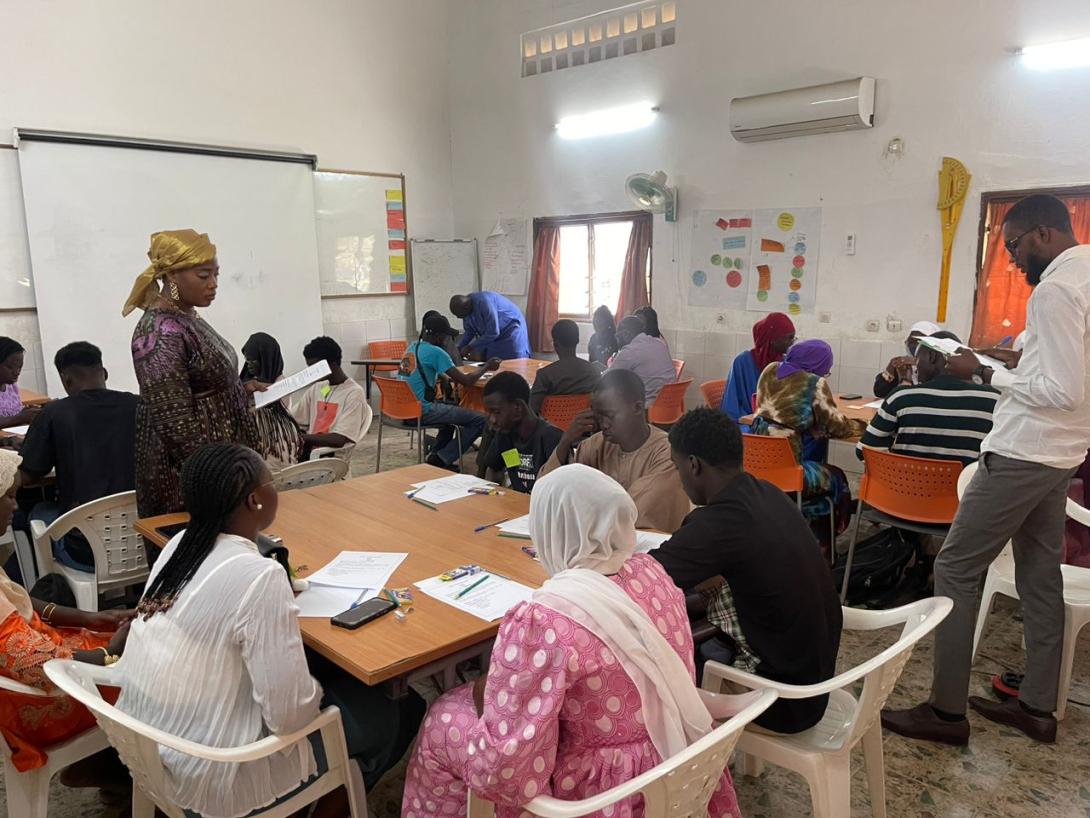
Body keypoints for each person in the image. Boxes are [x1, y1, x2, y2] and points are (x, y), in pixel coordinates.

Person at [401, 464, 742, 818]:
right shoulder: (651, 574)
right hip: (674, 763)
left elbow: (510, 770)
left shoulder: (543, 622)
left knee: (442, 718)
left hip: (602, 790)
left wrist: (483, 701)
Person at [117, 443, 423, 818]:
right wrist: (318, 689)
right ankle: (326, 803)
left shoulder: (178, 545)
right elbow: (290, 716)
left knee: (327, 681)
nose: (277, 488)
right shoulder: (261, 576)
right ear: (254, 501)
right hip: (216, 773)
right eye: (272, 482)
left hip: (149, 746)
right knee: (394, 710)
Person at [883, 194, 1090, 745]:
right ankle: (1037, 707)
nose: (1015, 260)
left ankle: (946, 713)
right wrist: (1015, 362)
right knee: (1041, 577)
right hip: (1063, 455)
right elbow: (1070, 376)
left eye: (1017, 246)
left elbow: (1061, 391)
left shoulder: (1055, 289)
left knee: (955, 569)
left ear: (1044, 233)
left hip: (1024, 452)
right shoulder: (1088, 272)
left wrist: (984, 373)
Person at [654, 408, 842, 734]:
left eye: (676, 466)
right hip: (814, 680)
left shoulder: (722, 522)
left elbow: (647, 577)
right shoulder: (767, 493)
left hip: (782, 701)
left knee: (657, 662)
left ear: (693, 464)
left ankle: (682, 760)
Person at [0, 449, 134, 777]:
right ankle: (123, 771)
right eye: (10, 496)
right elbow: (36, 663)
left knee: (129, 640)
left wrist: (87, 619)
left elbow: (22, 602)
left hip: (38, 669)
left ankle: (108, 765)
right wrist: (109, 653)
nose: (16, 506)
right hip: (38, 700)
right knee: (152, 667)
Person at [124, 229, 264, 518]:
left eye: (216, 275)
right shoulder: (160, 330)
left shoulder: (186, 316)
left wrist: (239, 389)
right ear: (173, 276)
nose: (213, 284)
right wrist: (221, 478)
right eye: (203, 276)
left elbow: (204, 382)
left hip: (221, 463)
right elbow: (176, 424)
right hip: (193, 478)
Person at [17, 342, 138, 571]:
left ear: (66, 380)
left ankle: (44, 592)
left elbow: (29, 472)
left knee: (34, 513)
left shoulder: (54, 413)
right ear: (104, 373)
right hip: (142, 540)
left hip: (84, 550)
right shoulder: (139, 405)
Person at [539, 369, 690, 532]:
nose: (603, 424)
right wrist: (565, 441)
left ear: (638, 407)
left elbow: (630, 516)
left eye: (609, 415)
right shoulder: (595, 445)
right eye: (598, 416)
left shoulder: (668, 454)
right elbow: (547, 491)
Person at [751, 340, 866, 538]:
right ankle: (824, 538)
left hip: (757, 465)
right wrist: (864, 426)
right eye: (825, 369)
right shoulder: (814, 383)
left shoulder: (769, 370)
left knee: (816, 454)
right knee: (837, 477)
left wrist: (808, 423)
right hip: (789, 470)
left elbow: (779, 414)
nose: (824, 374)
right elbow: (838, 427)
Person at [857, 331, 999, 466]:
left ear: (932, 356)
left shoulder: (901, 397)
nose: (916, 366)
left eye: (918, 359)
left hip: (905, 489)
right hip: (963, 490)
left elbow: (864, 451)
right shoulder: (995, 399)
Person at [404, 312, 499, 471]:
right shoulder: (437, 352)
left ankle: (436, 455)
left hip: (403, 409)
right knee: (480, 420)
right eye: (447, 336)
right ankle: (443, 458)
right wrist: (486, 367)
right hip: (422, 410)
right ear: (440, 337)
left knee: (450, 416)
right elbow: (467, 381)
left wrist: (444, 377)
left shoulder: (412, 347)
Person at [289, 337, 369, 461]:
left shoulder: (353, 394)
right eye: (309, 368)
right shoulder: (318, 388)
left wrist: (301, 437)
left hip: (332, 458)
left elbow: (339, 439)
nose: (311, 373)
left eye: (315, 368)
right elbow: (294, 419)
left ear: (332, 365)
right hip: (308, 452)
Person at [481, 372, 562, 493]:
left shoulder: (550, 437)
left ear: (517, 407)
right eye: (489, 413)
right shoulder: (505, 433)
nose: (492, 420)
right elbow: (493, 469)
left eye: (497, 412)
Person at [240, 332, 304, 470]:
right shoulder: (246, 383)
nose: (249, 365)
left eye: (253, 360)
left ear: (266, 359)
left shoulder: (281, 384)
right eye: (247, 360)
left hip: (275, 444)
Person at [719, 312, 796, 421]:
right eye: (789, 338)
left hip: (776, 422)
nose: (792, 343)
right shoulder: (742, 362)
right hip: (746, 421)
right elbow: (731, 405)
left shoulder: (786, 363)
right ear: (773, 340)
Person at [528, 319, 602, 414]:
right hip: (585, 426)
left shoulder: (545, 375)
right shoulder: (594, 371)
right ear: (577, 340)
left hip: (552, 427)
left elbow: (532, 410)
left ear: (555, 344)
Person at [608, 315, 676, 404]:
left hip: (646, 408)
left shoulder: (630, 351)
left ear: (626, 334)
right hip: (670, 405)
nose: (617, 341)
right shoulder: (659, 343)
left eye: (618, 336)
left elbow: (608, 378)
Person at [450, 291, 531, 361]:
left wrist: (469, 347)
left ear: (466, 308)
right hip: (494, 340)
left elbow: (493, 333)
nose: (458, 317)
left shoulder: (484, 302)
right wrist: (458, 347)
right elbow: (469, 331)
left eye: (460, 315)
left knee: (512, 364)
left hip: (511, 332)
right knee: (493, 366)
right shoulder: (465, 309)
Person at [873, 320, 941, 399]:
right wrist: (890, 370)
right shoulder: (903, 364)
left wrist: (919, 363)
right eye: (912, 341)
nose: (915, 346)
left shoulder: (941, 367)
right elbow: (879, 392)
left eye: (920, 342)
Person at [0, 338, 39, 428]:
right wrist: (20, 417)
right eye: (10, 367)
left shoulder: (11, 387)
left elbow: (13, 413)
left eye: (19, 367)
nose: (16, 372)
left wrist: (27, 411)